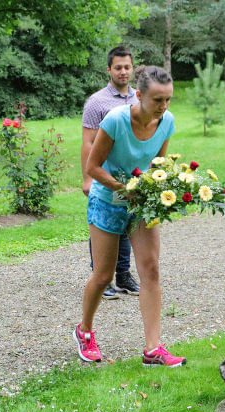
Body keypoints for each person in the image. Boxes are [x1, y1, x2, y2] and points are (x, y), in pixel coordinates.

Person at [75, 65, 186, 367]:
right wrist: (124, 188)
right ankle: (84, 332)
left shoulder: (167, 121)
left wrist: (162, 189)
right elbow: (93, 168)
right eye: (157, 101)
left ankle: (153, 348)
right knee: (103, 275)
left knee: (150, 269)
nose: (163, 107)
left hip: (141, 203)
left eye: (168, 100)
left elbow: (157, 163)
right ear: (139, 96)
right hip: (108, 199)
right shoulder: (116, 120)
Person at [82, 46, 141, 300]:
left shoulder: (140, 98)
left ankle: (123, 275)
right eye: (118, 67)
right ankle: (100, 276)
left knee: (127, 222)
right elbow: (87, 142)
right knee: (104, 223)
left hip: (133, 175)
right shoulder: (97, 102)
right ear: (109, 70)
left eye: (127, 67)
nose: (123, 71)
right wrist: (87, 178)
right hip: (105, 175)